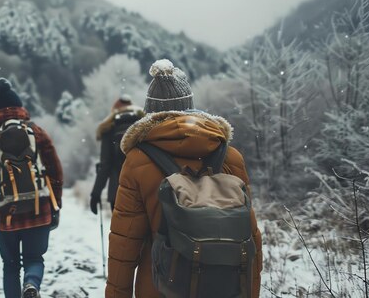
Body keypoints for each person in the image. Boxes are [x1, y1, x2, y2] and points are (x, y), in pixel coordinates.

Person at [105, 59, 263, 298]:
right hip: (223, 287)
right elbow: (251, 238)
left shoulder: (138, 161)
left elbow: (125, 244)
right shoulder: (229, 156)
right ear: (191, 106)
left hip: (161, 287)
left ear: (150, 112)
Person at [0, 78, 63, 298]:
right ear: (21, 108)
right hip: (39, 209)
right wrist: (55, 206)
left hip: (5, 215)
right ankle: (31, 285)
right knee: (34, 259)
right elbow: (56, 174)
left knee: (10, 265)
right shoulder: (37, 134)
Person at [90, 96, 143, 213]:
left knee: (120, 230)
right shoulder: (144, 125)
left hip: (117, 192)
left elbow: (105, 165)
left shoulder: (109, 128)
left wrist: (96, 194)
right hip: (143, 191)